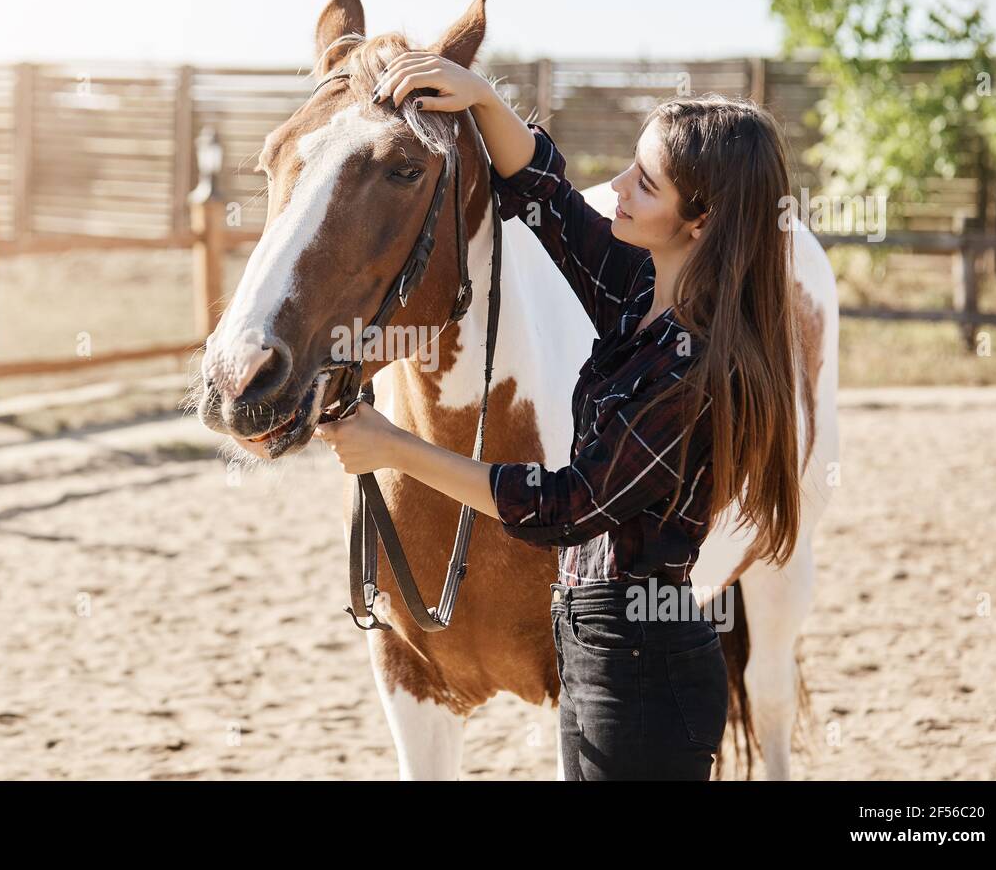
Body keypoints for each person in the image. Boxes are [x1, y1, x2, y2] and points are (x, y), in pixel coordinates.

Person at [314, 51, 803, 780]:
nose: (616, 189)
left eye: (645, 183)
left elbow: (566, 507)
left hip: (643, 669)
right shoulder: (641, 294)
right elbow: (549, 201)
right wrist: (480, 97)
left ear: (699, 220)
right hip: (597, 648)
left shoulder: (691, 374)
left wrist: (396, 448)